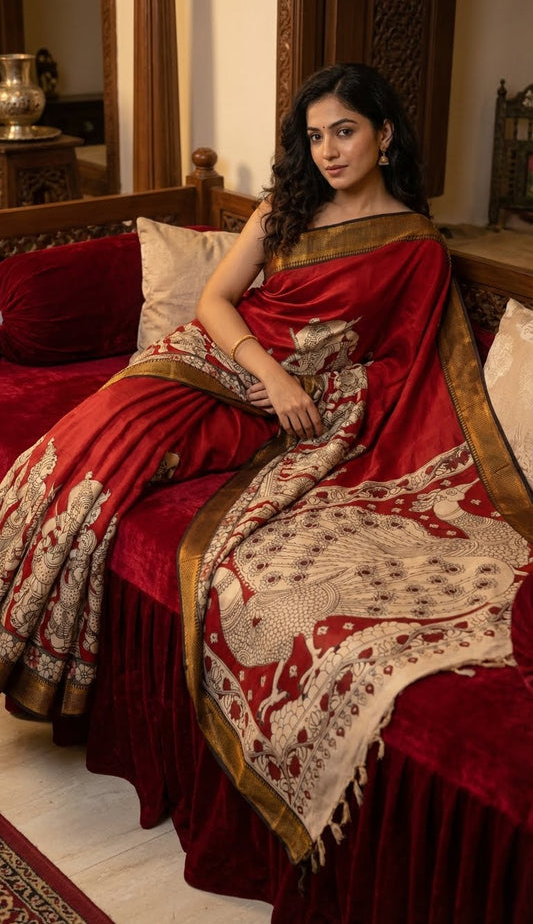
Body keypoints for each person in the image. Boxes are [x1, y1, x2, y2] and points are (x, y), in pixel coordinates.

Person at [1, 64, 529, 864]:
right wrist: (272, 374)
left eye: (344, 131)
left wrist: (316, 390)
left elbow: (404, 367)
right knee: (80, 453)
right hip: (214, 362)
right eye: (315, 136)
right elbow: (214, 300)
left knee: (115, 471)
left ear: (384, 134)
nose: (328, 151)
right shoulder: (286, 207)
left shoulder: (414, 246)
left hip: (283, 416)